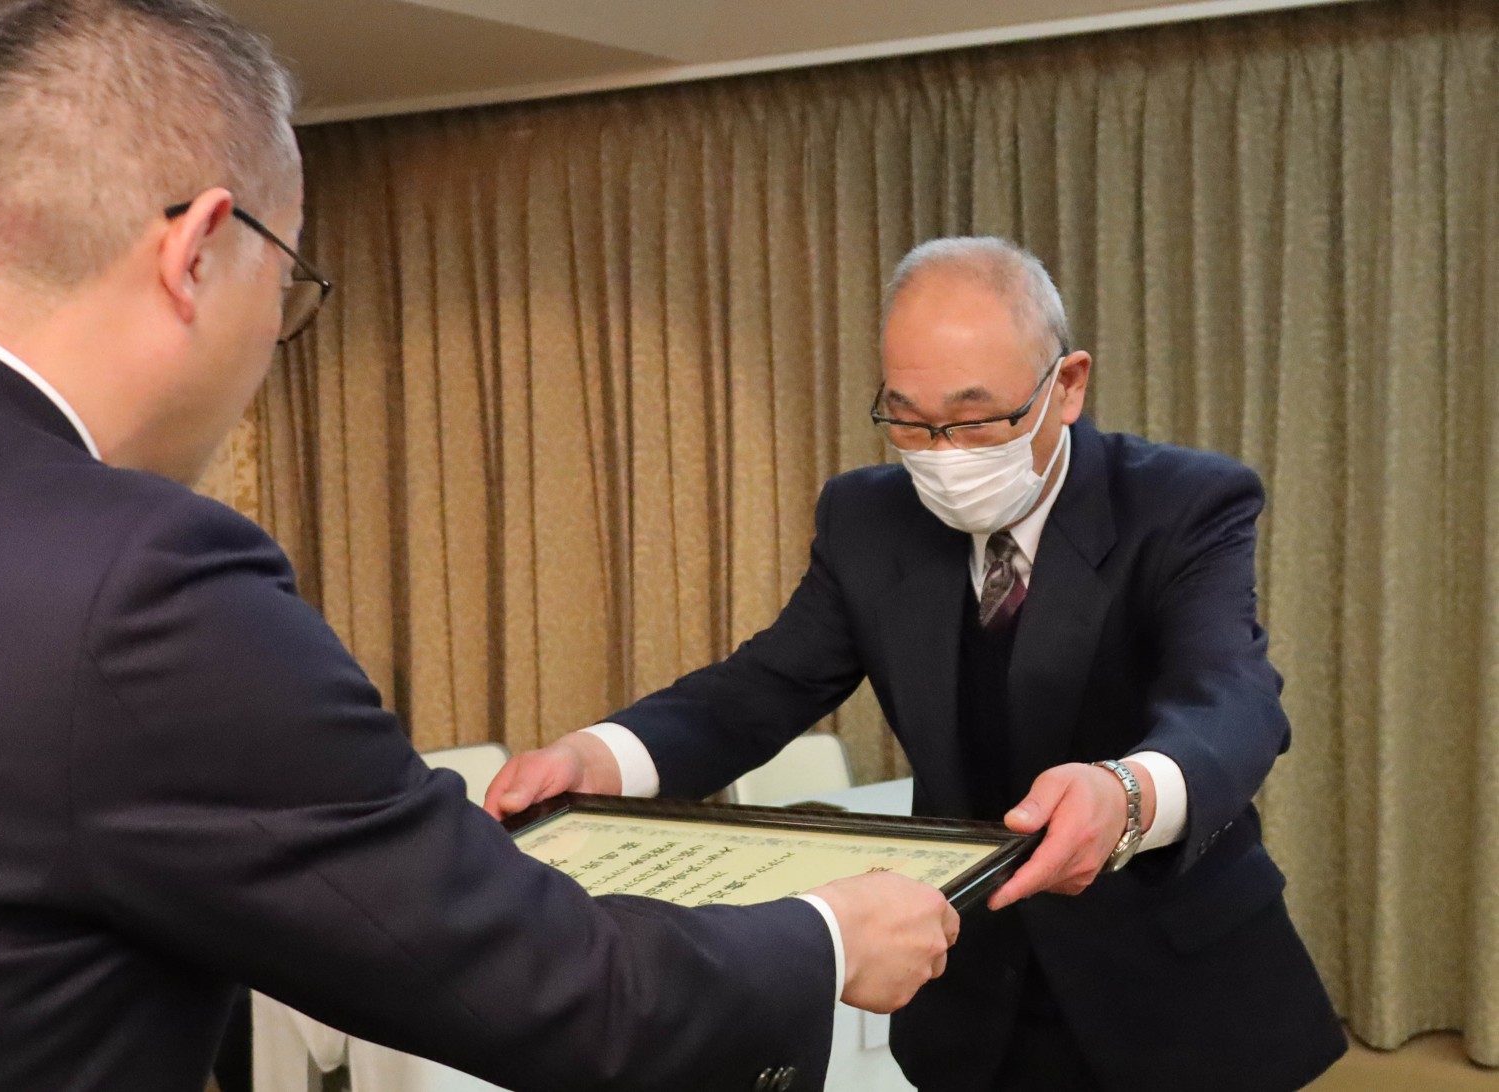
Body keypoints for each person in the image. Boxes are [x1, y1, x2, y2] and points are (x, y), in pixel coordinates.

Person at [0, 3, 961, 1090]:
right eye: (286, 284)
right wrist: (825, 941)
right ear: (201, 250)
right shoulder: (144, 582)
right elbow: (553, 986)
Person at [488, 236, 1350, 1091]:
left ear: (1067, 385)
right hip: (971, 987)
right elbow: (761, 688)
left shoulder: (1181, 500)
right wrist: (599, 757)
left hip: (1174, 984)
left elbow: (1232, 702)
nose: (942, 454)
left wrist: (1125, 796)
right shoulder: (866, 518)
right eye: (907, 418)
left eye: (976, 419)